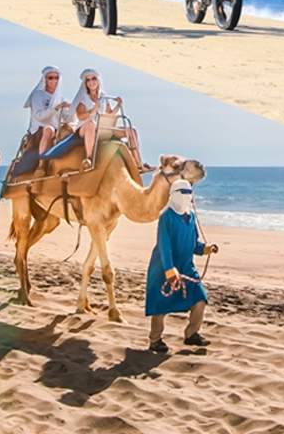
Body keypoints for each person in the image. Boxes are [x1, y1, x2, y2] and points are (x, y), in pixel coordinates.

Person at [145, 179, 218, 353]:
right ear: (174, 195)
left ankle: (192, 334)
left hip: (186, 267)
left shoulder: (191, 217)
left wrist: (206, 249)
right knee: (160, 305)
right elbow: (164, 245)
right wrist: (169, 269)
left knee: (200, 298)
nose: (187, 196)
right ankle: (155, 340)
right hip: (164, 267)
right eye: (183, 193)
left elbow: (194, 243)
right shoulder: (166, 216)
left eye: (189, 193)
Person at [70, 68, 145, 170]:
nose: (91, 82)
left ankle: (138, 163)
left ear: (98, 80)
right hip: (86, 128)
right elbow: (80, 116)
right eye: (88, 80)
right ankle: (89, 159)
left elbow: (110, 114)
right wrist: (93, 110)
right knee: (91, 124)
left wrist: (118, 105)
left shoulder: (103, 97)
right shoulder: (83, 98)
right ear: (85, 83)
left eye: (93, 79)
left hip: (103, 127)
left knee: (132, 131)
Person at [23, 65, 70, 155]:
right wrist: (56, 108)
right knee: (49, 129)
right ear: (45, 79)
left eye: (56, 78)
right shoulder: (38, 95)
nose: (54, 80)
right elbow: (39, 116)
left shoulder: (60, 98)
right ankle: (42, 160)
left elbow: (67, 118)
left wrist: (71, 109)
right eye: (50, 78)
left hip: (57, 131)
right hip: (39, 130)